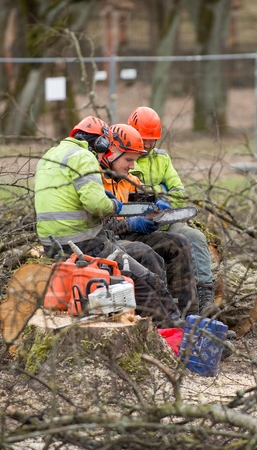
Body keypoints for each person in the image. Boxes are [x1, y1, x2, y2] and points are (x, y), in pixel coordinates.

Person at [34, 116, 182, 327]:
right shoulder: (84, 157)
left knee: (143, 264)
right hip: (84, 242)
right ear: (101, 143)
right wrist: (115, 206)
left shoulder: (50, 155)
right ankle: (170, 333)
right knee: (145, 280)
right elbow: (97, 206)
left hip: (53, 244)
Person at [99, 123, 199, 317]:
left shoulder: (128, 177)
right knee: (147, 254)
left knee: (178, 243)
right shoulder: (96, 179)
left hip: (129, 235)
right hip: (108, 240)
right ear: (111, 153)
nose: (132, 166)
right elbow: (100, 227)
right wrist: (131, 223)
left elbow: (143, 196)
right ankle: (162, 322)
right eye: (128, 160)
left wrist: (156, 204)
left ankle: (189, 316)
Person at [128, 106, 218, 315]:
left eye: (152, 140)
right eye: (144, 140)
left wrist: (158, 197)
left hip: (164, 219)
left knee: (194, 237)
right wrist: (159, 190)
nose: (149, 145)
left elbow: (178, 191)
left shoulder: (162, 159)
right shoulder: (124, 157)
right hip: (133, 225)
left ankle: (204, 298)